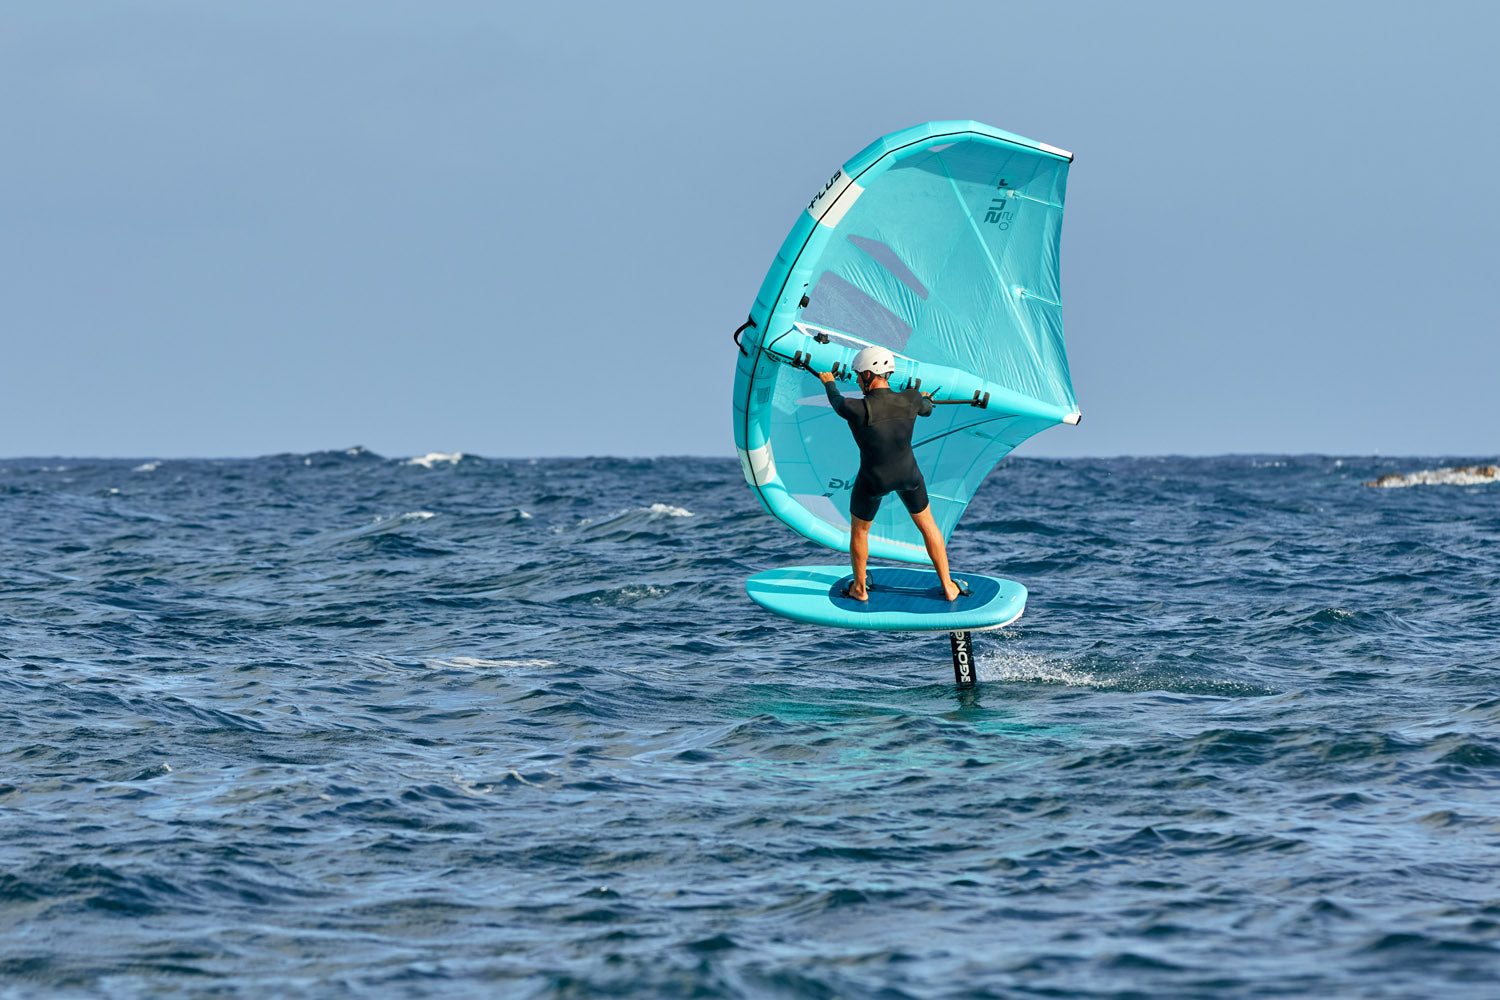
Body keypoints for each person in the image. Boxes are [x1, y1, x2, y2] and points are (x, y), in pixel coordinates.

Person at [814, 346, 965, 602]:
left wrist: (829, 382)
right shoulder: (911, 398)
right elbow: (927, 409)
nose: (857, 381)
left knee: (860, 532)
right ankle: (949, 587)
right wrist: (925, 400)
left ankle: (859, 589)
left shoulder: (856, 408)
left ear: (869, 375)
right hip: (909, 476)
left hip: (874, 480)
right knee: (928, 527)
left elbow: (836, 401)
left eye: (859, 376)